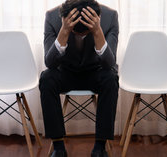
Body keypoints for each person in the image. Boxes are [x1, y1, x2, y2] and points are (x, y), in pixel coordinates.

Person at [39, 0, 119, 156]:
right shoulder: (52, 17)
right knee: (46, 78)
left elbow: (109, 63)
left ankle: (99, 148)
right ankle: (58, 147)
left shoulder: (110, 17)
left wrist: (96, 31)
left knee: (111, 78)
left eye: (85, 33)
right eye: (77, 33)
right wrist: (65, 31)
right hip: (66, 72)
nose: (81, 36)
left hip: (96, 72)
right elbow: (50, 62)